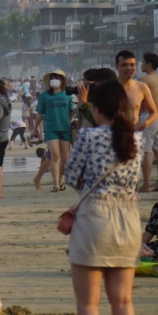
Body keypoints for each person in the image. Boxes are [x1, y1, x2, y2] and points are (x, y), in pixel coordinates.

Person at [64, 80, 143, 315]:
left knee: (89, 303)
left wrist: (86, 185)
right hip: (128, 219)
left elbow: (70, 176)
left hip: (94, 218)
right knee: (123, 301)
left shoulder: (88, 136)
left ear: (96, 108)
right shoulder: (136, 140)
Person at [30, 70, 75, 192]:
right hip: (50, 129)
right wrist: (35, 128)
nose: (54, 80)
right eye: (52, 78)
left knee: (65, 159)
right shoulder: (45, 96)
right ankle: (56, 185)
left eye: (57, 78)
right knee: (55, 156)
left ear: (62, 80)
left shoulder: (68, 94)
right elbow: (40, 113)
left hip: (65, 128)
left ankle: (59, 180)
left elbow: (71, 111)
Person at [140, 52, 158, 192]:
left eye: (143, 62)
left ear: (149, 64)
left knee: (146, 151)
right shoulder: (156, 78)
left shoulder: (144, 79)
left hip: (148, 116)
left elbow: (138, 100)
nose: (141, 64)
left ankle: (146, 184)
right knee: (157, 149)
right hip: (157, 116)